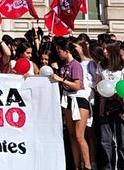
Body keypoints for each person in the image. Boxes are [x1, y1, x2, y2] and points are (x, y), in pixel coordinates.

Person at [51, 37, 92, 170]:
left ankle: (87, 165)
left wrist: (61, 80)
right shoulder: (64, 65)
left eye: (59, 51)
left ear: (66, 51)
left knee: (80, 135)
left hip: (78, 100)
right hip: (67, 100)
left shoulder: (76, 65)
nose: (58, 53)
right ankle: (76, 166)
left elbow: (77, 85)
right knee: (72, 136)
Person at [94, 39, 124, 170]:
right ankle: (108, 166)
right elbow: (97, 84)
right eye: (103, 48)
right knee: (105, 140)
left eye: (107, 49)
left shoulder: (123, 66)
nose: (104, 51)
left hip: (121, 102)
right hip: (105, 103)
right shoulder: (101, 65)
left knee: (123, 140)